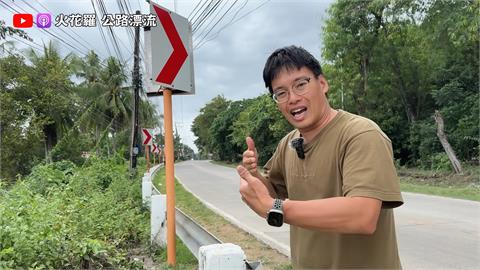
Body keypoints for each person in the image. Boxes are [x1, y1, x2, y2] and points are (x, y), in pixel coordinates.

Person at [237, 45, 404, 269]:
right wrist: (254, 176)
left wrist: (276, 208)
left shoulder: (361, 134)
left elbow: (363, 215)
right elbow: (275, 194)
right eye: (281, 93)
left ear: (322, 84)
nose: (293, 98)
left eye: (301, 84)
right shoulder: (287, 143)